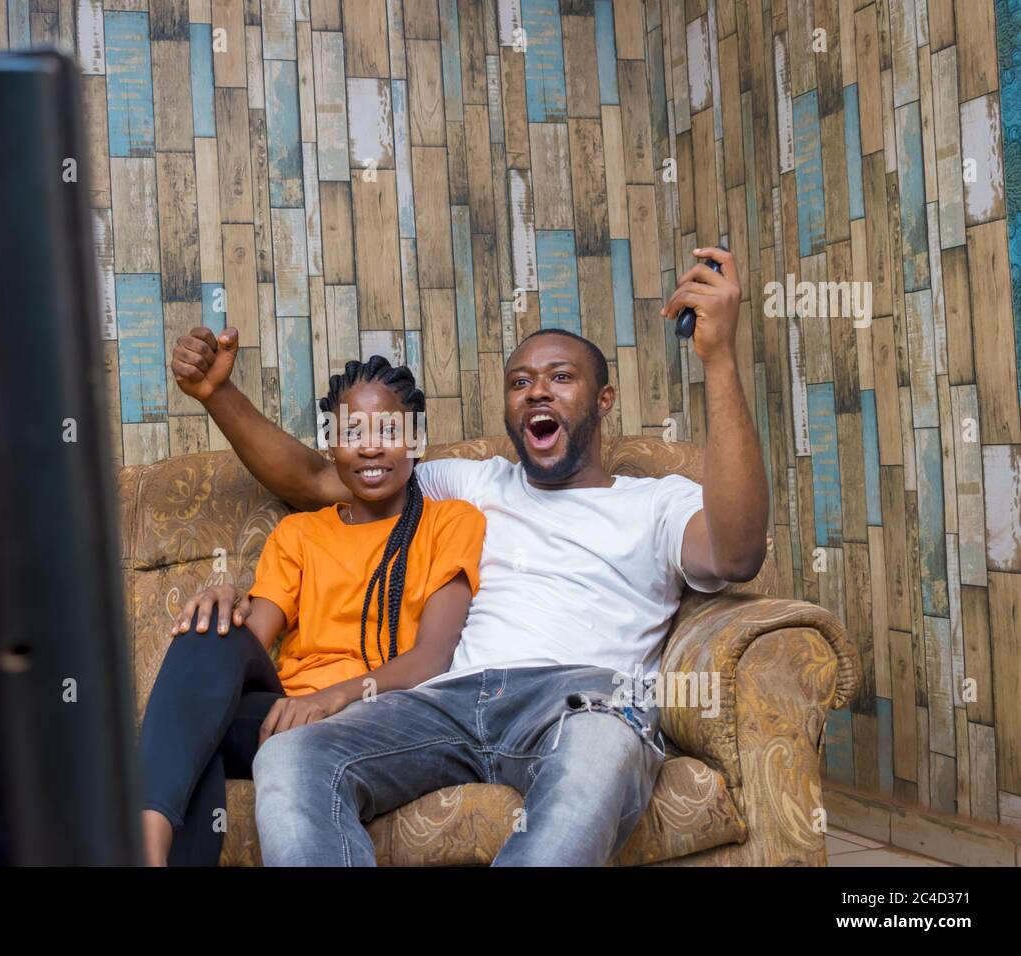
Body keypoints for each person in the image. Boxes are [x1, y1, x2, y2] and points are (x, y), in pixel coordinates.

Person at [168, 246, 768, 866]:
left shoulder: (657, 502)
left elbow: (737, 552)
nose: (537, 391)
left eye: (561, 378)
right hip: (444, 703)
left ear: (604, 400)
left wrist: (718, 359)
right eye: (520, 382)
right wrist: (218, 394)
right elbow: (319, 479)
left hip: (577, 705)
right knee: (292, 754)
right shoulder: (473, 482)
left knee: (603, 746)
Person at [139, 355, 486, 866]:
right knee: (208, 638)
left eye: (389, 429)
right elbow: (249, 645)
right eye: (352, 432)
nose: (370, 446)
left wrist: (328, 699)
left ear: (417, 440)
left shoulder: (450, 521)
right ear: (331, 446)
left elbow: (432, 659)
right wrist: (225, 607)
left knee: (193, 747)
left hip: (385, 719)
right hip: (280, 716)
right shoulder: (300, 534)